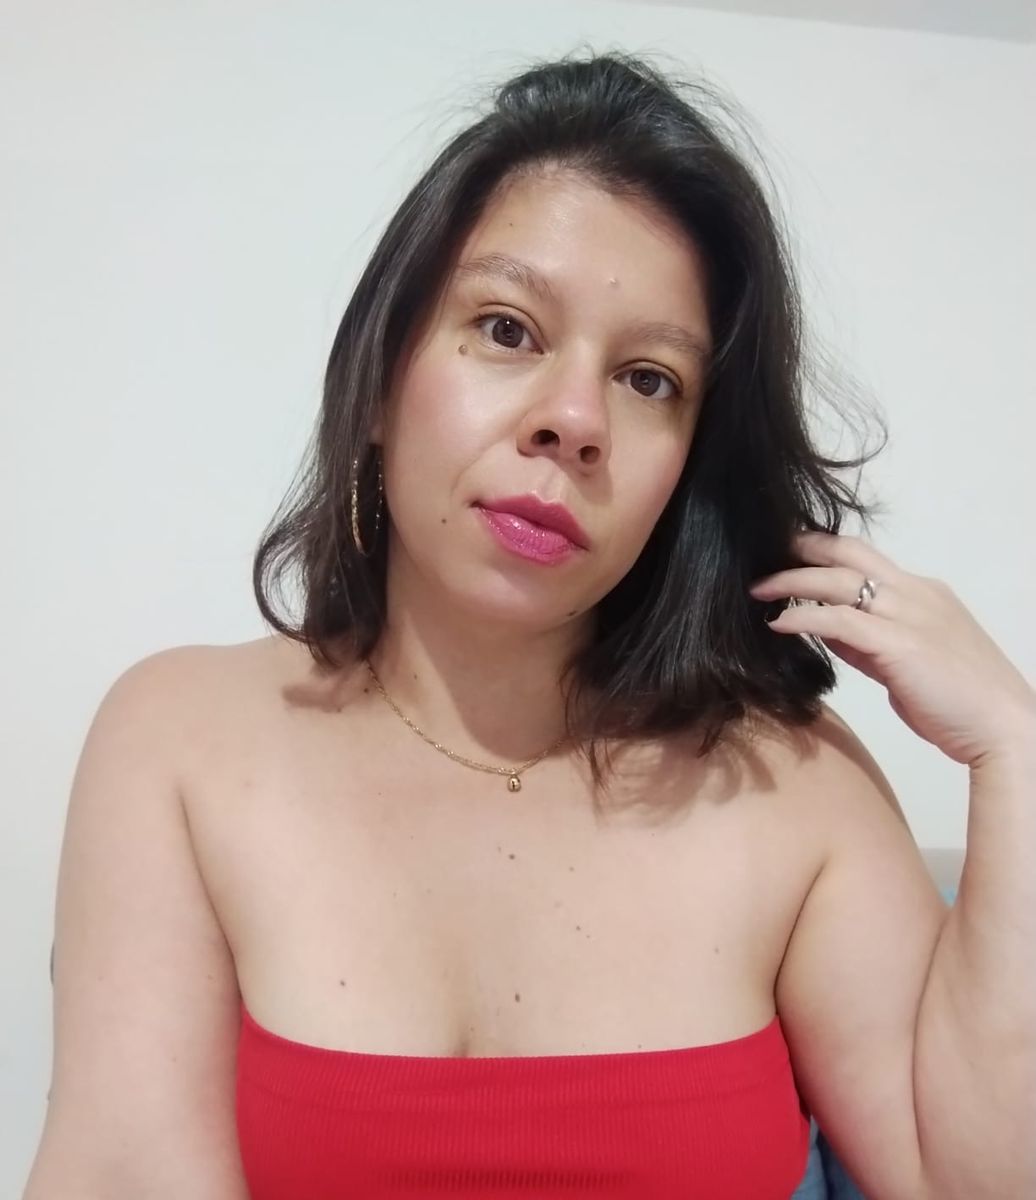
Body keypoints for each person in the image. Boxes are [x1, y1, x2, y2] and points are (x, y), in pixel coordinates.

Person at [23, 51, 1035, 1200]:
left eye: (648, 380)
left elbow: (972, 1182)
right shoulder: (181, 741)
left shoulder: (790, 787)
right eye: (506, 329)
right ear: (380, 376)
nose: (573, 419)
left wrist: (1016, 750)